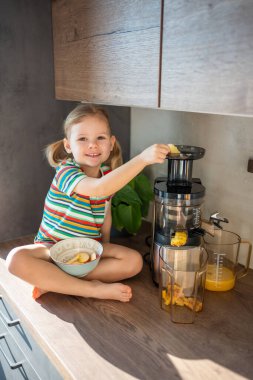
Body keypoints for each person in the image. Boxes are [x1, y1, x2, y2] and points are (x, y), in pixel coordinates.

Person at [6, 104, 170, 302]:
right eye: (83, 139)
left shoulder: (107, 177)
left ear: (111, 143)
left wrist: (104, 247)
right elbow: (99, 188)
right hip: (52, 248)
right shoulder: (66, 171)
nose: (92, 145)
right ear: (68, 146)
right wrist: (142, 159)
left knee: (134, 262)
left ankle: (54, 280)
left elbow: (105, 215)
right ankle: (90, 288)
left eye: (100, 138)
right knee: (15, 259)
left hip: (88, 248)